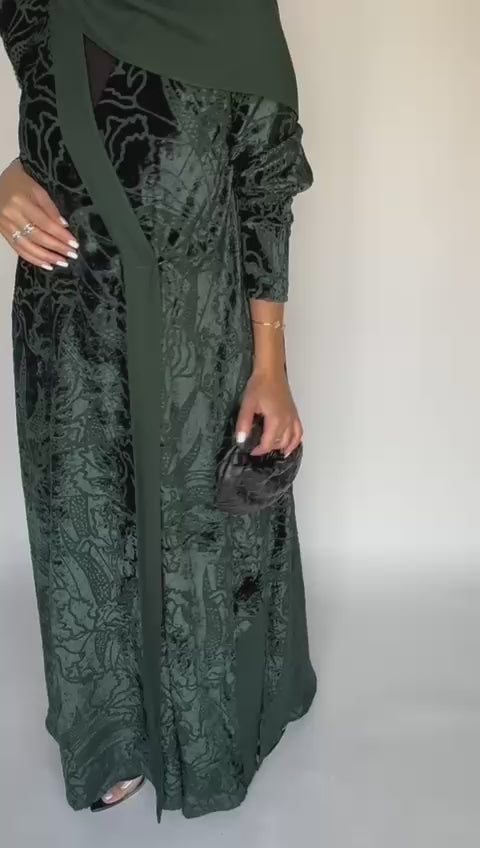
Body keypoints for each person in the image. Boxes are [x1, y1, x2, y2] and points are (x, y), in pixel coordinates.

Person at [0, 0, 317, 822]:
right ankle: (110, 737)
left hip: (198, 332)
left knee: (203, 538)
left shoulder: (234, 11)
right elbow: (50, 121)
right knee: (85, 526)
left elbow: (265, 184)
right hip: (67, 327)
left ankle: (213, 730)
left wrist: (270, 362)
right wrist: (5, 179)